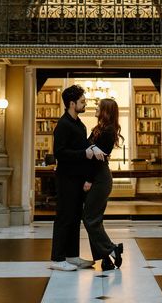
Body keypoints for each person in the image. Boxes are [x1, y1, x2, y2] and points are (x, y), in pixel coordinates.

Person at [50, 84, 106, 271]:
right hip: (66, 179)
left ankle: (71, 256)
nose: (86, 104)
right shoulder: (63, 125)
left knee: (75, 217)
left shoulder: (80, 125)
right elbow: (60, 153)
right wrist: (85, 153)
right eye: (82, 102)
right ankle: (57, 259)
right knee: (64, 218)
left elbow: (83, 149)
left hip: (77, 179)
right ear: (72, 103)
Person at [83, 97, 124, 271]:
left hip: (99, 178)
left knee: (89, 218)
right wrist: (91, 148)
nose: (95, 108)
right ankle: (105, 259)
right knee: (95, 220)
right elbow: (87, 148)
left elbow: (97, 161)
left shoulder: (108, 131)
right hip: (97, 176)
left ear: (106, 110)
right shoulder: (98, 129)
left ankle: (112, 249)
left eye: (99, 106)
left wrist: (89, 180)